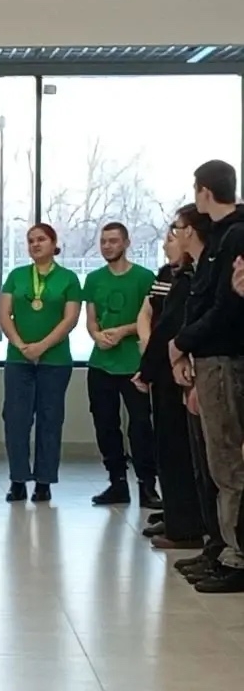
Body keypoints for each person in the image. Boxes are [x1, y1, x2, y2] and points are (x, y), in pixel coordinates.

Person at [170, 159, 244, 593]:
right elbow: (203, 300)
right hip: (208, 356)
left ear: (204, 191)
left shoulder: (234, 234)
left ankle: (235, 555)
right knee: (217, 465)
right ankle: (221, 548)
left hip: (224, 358)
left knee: (228, 464)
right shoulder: (219, 236)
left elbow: (225, 307)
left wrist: (182, 341)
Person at [134, 211, 207, 550]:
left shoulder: (194, 277)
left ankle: (187, 525)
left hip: (179, 370)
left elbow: (173, 326)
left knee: (180, 449)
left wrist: (150, 365)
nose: (167, 243)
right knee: (166, 446)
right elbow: (150, 314)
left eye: (174, 235)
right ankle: (176, 514)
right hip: (163, 364)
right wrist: (149, 355)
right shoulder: (170, 275)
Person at [0, 224, 82, 502]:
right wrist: (21, 345)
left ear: (54, 243)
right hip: (18, 359)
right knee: (16, 419)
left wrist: (42, 346)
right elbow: (4, 314)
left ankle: (44, 481)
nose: (35, 244)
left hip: (55, 361)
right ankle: (18, 479)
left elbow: (70, 319)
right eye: (31, 240)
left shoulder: (68, 278)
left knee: (50, 419)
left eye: (41, 239)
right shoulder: (17, 276)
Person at [83, 221, 159, 508]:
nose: (107, 246)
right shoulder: (94, 279)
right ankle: (116, 482)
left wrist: (124, 331)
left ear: (126, 243)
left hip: (134, 364)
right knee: (105, 424)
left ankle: (147, 485)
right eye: (103, 241)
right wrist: (97, 335)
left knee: (140, 425)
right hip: (101, 364)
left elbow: (152, 319)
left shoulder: (145, 277)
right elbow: (91, 319)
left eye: (113, 241)